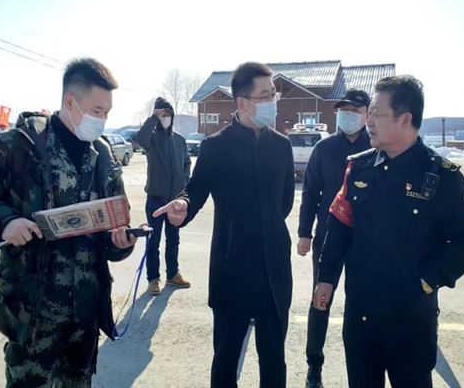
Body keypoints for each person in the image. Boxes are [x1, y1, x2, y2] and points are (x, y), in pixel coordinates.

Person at [0, 57, 142, 388]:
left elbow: (114, 224)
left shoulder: (102, 156)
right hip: (32, 315)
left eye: (107, 113)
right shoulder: (20, 146)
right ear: (70, 102)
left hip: (84, 316)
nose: (102, 120)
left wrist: (121, 242)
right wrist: (5, 223)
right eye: (97, 111)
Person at [313, 75, 464, 388]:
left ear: (405, 119)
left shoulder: (441, 176)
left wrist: (428, 280)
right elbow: (339, 226)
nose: (368, 122)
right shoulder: (358, 168)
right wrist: (326, 277)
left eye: (377, 114)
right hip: (361, 315)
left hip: (410, 319)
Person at [154, 62, 295, 387]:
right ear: (243, 103)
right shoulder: (216, 145)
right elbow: (195, 189)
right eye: (264, 95)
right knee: (226, 360)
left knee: (274, 359)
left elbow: (285, 202)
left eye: (273, 94)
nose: (272, 101)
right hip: (232, 270)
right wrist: (183, 205)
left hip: (274, 270)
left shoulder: (281, 146)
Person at [297, 88, 372, 388]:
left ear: (367, 114)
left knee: (361, 306)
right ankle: (314, 364)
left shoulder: (376, 147)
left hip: (365, 242)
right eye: (343, 110)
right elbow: (310, 193)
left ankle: (363, 366)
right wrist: (304, 233)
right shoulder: (324, 148)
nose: (347, 115)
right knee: (320, 300)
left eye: (354, 110)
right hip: (327, 239)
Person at [133, 97, 192, 295]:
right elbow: (139, 139)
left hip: (175, 201)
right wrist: (152, 118)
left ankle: (173, 274)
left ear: (172, 115)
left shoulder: (179, 140)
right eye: (160, 113)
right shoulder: (151, 139)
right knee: (153, 241)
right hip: (155, 200)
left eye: (167, 113)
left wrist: (184, 183)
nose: (164, 116)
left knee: (173, 240)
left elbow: (186, 163)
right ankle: (153, 279)